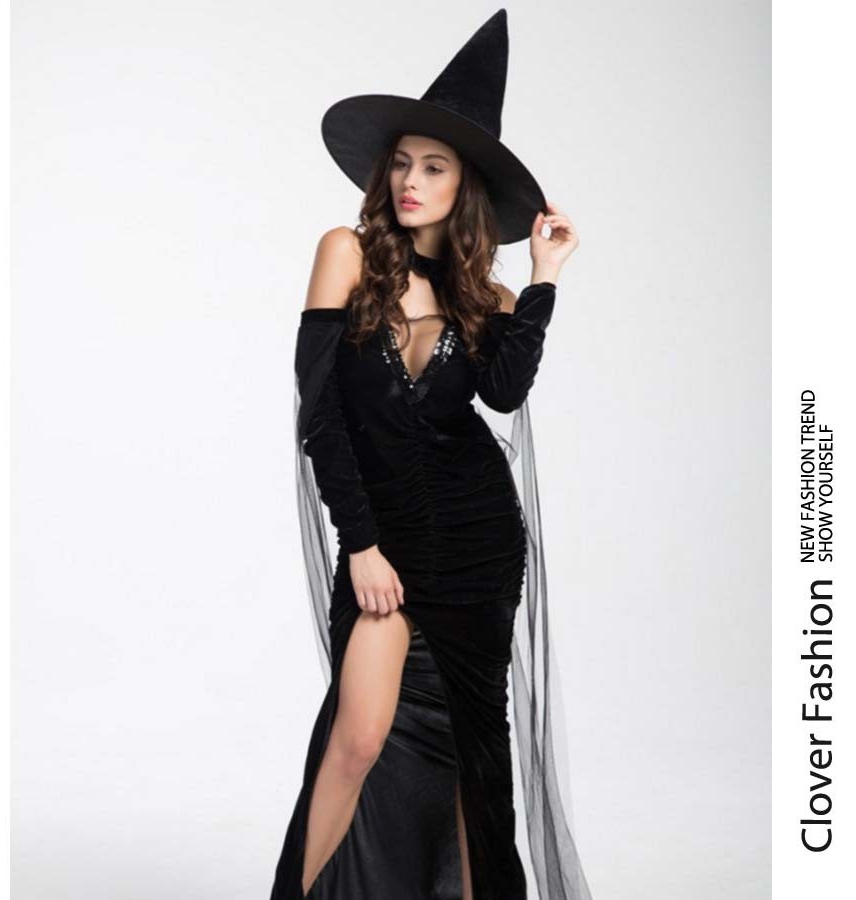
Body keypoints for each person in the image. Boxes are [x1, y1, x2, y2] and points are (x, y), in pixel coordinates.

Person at [271, 10, 592, 900]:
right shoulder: (344, 253)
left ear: (466, 186)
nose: (411, 181)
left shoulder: (487, 297)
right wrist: (363, 545)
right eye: (402, 163)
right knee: (357, 741)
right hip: (386, 536)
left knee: (471, 761)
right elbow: (321, 415)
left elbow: (504, 395)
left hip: (479, 545)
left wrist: (545, 279)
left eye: (434, 167)